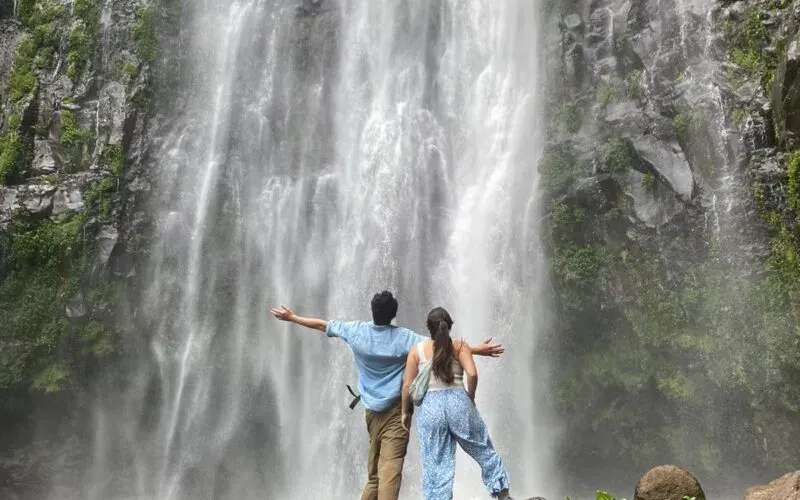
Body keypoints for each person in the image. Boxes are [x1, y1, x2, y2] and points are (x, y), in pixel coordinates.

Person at [270, 291, 505, 500]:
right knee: (389, 472)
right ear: (393, 315)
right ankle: (501, 490)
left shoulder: (356, 331)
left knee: (375, 477)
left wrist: (293, 317)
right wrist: (476, 350)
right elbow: (440, 346)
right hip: (395, 413)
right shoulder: (404, 338)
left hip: (371, 413)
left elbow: (323, 325)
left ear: (372, 311)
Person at [401, 307, 513, 500]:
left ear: (429, 328)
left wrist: (405, 412)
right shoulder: (460, 346)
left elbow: (407, 387)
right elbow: (472, 374)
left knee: (435, 463)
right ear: (450, 326)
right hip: (458, 403)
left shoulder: (417, 350)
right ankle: (502, 493)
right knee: (482, 447)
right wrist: (471, 396)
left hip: (431, 408)